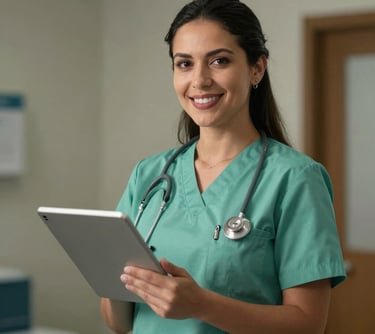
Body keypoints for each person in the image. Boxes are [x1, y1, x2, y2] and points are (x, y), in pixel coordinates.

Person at [101, 0, 346, 333]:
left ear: (257, 68)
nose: (199, 80)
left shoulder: (295, 179)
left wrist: (201, 304)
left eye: (219, 61)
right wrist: (119, 283)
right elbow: (120, 324)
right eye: (184, 63)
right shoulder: (149, 175)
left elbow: (307, 325)